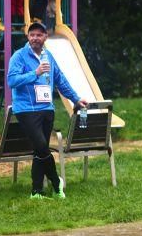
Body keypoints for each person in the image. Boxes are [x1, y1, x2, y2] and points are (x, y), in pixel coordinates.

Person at [6, 21, 89, 199]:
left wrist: (75, 98)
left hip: (47, 109)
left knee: (39, 151)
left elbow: (60, 80)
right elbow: (12, 81)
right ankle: (57, 183)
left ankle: (36, 192)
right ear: (28, 37)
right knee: (42, 147)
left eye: (39, 35)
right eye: (32, 35)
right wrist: (34, 73)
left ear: (45, 37)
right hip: (26, 109)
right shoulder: (19, 56)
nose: (35, 38)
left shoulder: (48, 56)